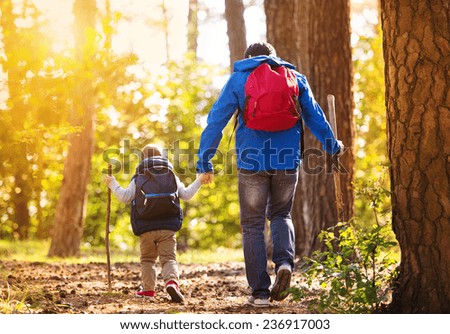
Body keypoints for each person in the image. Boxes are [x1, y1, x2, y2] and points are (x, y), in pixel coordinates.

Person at [196, 42, 343, 307]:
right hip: (287, 159)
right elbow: (315, 117)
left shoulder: (239, 78)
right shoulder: (295, 78)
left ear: (248, 59)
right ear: (274, 58)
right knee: (281, 214)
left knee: (252, 224)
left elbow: (216, 121)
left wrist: (204, 161)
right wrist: (332, 145)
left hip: (251, 160)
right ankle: (285, 263)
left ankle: (260, 293)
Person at [105, 144, 209, 303]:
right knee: (169, 259)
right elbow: (186, 195)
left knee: (147, 260)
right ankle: (172, 282)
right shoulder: (171, 175)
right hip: (168, 226)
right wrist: (199, 181)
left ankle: (148, 290)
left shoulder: (139, 175)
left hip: (146, 227)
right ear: (162, 157)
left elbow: (126, 197)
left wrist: (112, 183)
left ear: (143, 159)